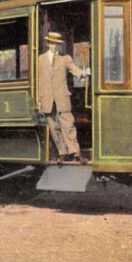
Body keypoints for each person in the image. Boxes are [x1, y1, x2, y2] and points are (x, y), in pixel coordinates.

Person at [38, 32, 90, 164]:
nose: (54, 46)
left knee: (68, 125)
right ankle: (62, 153)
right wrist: (38, 100)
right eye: (52, 43)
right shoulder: (40, 60)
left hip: (62, 98)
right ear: (48, 44)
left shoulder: (65, 59)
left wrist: (83, 73)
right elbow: (37, 81)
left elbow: (73, 69)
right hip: (47, 99)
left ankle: (75, 153)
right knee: (54, 128)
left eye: (57, 44)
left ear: (59, 46)